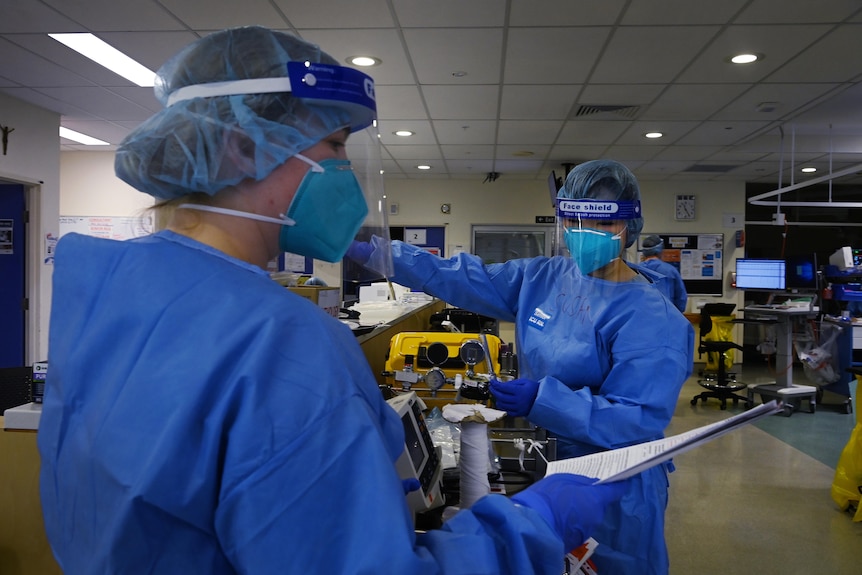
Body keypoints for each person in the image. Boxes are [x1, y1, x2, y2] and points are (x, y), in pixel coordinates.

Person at [36, 26, 627, 575]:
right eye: (336, 144)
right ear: (243, 147)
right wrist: (529, 526)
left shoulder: (106, 293)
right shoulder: (277, 339)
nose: (345, 170)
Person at [349, 159, 695, 575]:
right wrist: (382, 253)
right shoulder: (545, 277)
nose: (584, 235)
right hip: (545, 462)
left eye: (600, 225)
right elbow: (460, 276)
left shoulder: (651, 317)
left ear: (629, 227)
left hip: (611, 485)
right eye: (574, 221)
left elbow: (636, 418)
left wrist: (542, 399)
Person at [640, 234, 688, 313]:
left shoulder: (635, 270)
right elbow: (681, 298)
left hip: (642, 317)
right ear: (660, 251)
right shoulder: (670, 271)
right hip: (666, 316)